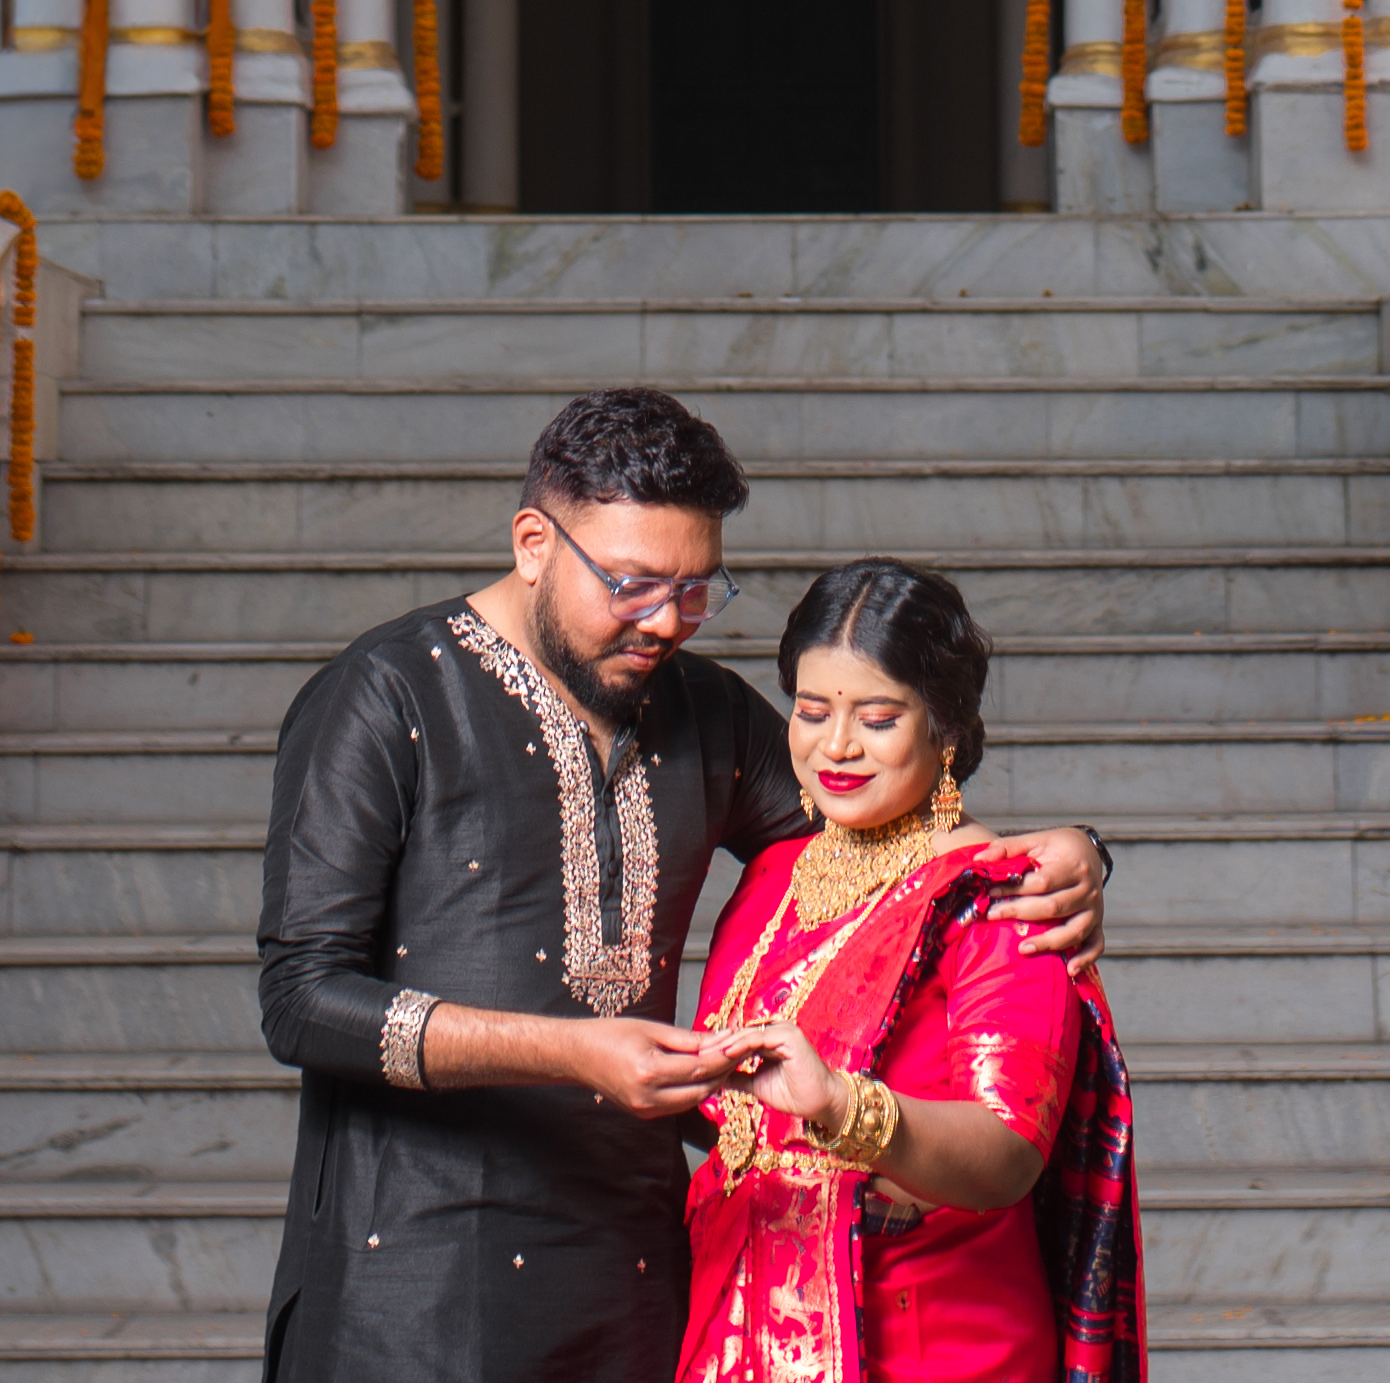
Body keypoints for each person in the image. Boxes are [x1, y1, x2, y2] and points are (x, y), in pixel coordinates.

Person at [254, 391, 1111, 1383]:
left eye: (698, 589)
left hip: (639, 1275)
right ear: (535, 541)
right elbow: (302, 1001)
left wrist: (1068, 848)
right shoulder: (387, 695)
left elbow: (892, 839)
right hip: (414, 1276)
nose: (665, 621)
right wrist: (572, 1051)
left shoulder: (703, 711)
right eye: (631, 583)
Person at [681, 562, 1143, 1383]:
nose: (837, 745)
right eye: (813, 710)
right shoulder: (770, 879)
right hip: (741, 1324)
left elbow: (1007, 1155)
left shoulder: (998, 897)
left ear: (947, 729)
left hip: (927, 1339)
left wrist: (843, 1107)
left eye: (879, 717)